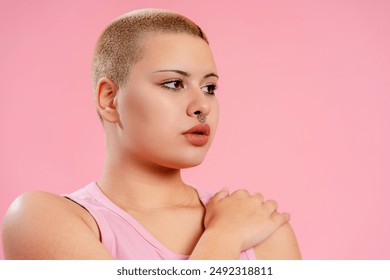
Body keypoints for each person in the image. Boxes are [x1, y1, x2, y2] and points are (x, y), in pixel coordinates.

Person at [2, 8, 301, 260]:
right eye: (173, 84)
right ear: (109, 99)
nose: (202, 106)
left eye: (209, 88)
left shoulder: (263, 228)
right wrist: (224, 237)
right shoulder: (40, 220)